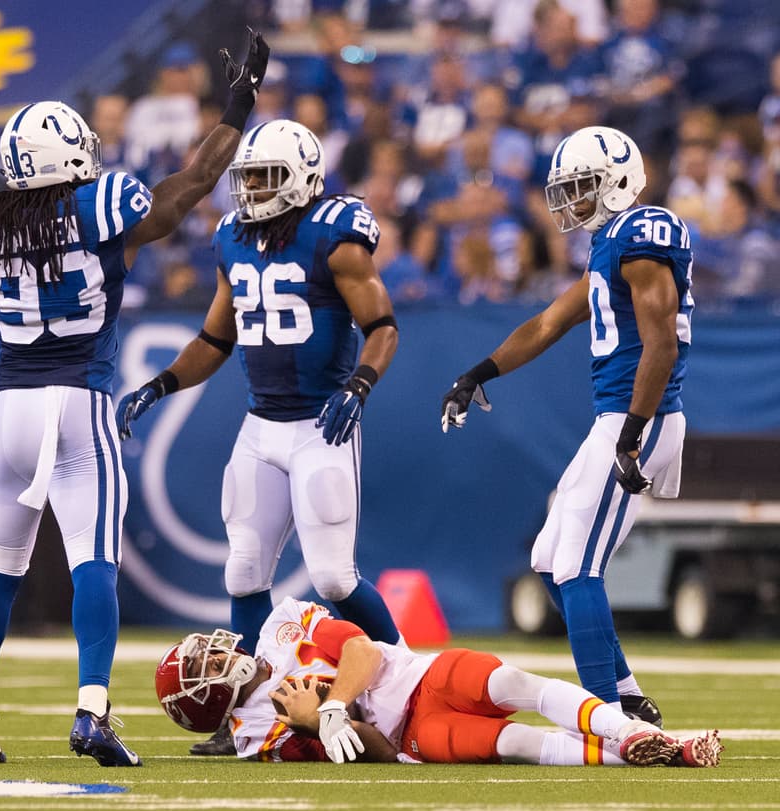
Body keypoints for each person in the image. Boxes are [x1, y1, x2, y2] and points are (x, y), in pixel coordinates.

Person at [0, 29, 271, 768]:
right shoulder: (103, 204)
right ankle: (92, 712)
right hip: (79, 403)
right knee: (93, 563)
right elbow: (195, 182)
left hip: (12, 414)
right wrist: (239, 102)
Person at [116, 118, 405, 756]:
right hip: (260, 426)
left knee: (333, 579)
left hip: (320, 425)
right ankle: (244, 717)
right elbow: (214, 338)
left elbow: (383, 326)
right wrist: (160, 385)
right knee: (244, 571)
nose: (253, 190)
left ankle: (404, 687)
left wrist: (357, 386)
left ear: (303, 177)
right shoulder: (232, 237)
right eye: (248, 178)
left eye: (268, 177)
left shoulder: (335, 236)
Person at [439, 125, 694, 727]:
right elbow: (547, 323)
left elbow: (660, 343)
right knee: (551, 559)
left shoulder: (640, 234)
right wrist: (479, 372)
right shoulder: (609, 246)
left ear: (618, 182)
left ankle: (609, 720)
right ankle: (625, 696)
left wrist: (632, 433)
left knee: (578, 564)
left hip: (640, 416)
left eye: (582, 186)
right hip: (622, 417)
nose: (571, 200)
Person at [155, 596, 722, 767]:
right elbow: (375, 755)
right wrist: (321, 726)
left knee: (513, 682)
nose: (216, 652)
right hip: (408, 735)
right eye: (203, 666)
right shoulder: (257, 736)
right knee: (516, 743)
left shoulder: (280, 624)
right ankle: (665, 752)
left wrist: (331, 706)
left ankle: (626, 731)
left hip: (417, 673)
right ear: (209, 699)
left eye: (206, 651)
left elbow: (360, 649)